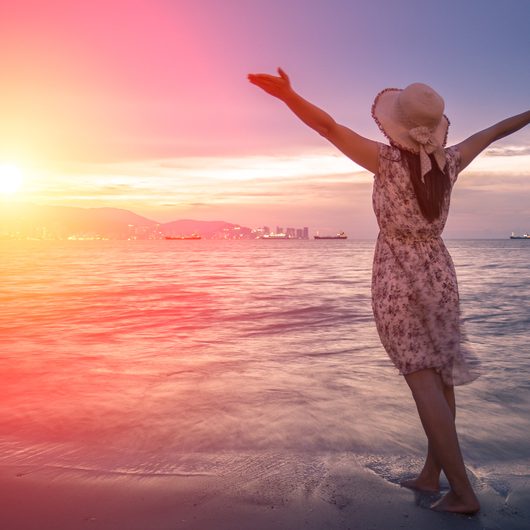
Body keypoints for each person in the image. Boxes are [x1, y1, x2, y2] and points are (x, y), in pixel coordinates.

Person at [248, 67, 530, 515]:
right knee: (440, 377)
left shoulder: (385, 160)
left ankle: (462, 492)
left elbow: (328, 127)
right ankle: (432, 474)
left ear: (397, 124)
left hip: (400, 276)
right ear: (436, 128)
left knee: (422, 381)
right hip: (440, 273)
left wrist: (288, 95)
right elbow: (496, 130)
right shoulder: (451, 161)